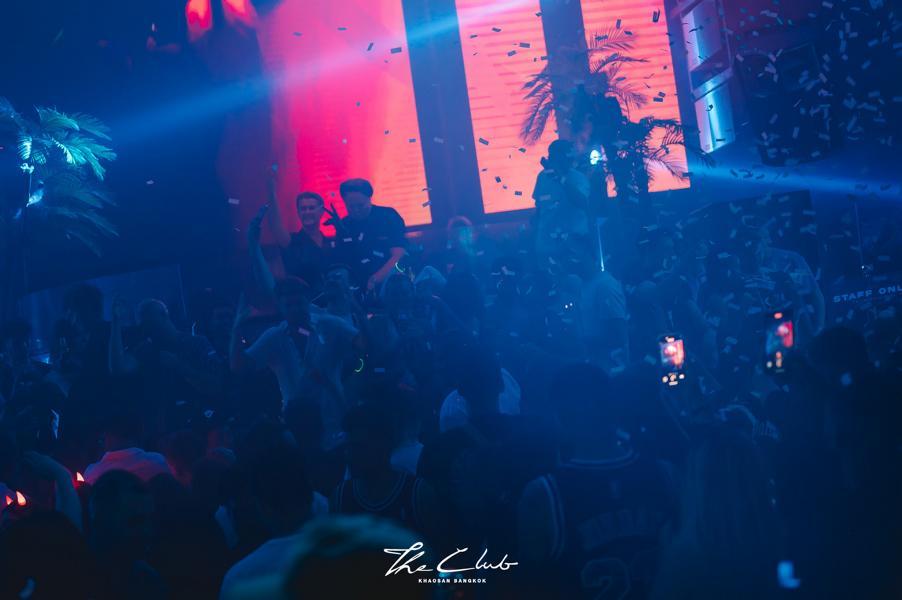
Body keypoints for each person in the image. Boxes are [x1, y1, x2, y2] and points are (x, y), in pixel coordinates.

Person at [517, 363, 675, 599]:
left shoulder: (544, 494)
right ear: (613, 407)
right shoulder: (664, 473)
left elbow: (530, 586)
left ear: (560, 417)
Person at [230, 277, 358, 446]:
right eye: (289, 305)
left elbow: (365, 346)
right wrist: (237, 328)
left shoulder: (330, 325)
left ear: (308, 302)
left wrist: (356, 308)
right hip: (297, 429)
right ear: (280, 307)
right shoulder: (274, 337)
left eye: (299, 303)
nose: (295, 309)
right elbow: (239, 367)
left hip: (335, 423)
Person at [331, 178, 407, 292]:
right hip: (357, 285)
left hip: (391, 281)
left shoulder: (388, 216)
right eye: (350, 207)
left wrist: (376, 279)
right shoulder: (344, 225)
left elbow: (398, 254)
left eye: (360, 205)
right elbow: (343, 261)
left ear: (369, 198)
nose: (356, 210)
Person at [266, 168, 330, 288]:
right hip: (302, 298)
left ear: (321, 211)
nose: (307, 212)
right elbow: (275, 224)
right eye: (303, 209)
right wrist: (272, 192)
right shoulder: (292, 241)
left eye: (311, 208)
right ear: (298, 212)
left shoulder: (329, 242)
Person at [531, 139, 590, 265]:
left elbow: (582, 202)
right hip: (547, 244)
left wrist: (560, 179)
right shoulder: (543, 176)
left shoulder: (578, 178)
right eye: (551, 157)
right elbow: (539, 208)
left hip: (572, 244)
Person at [83, 411, 172, 485]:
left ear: (107, 437)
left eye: (101, 440)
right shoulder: (159, 461)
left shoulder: (92, 473)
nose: (101, 443)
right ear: (141, 432)